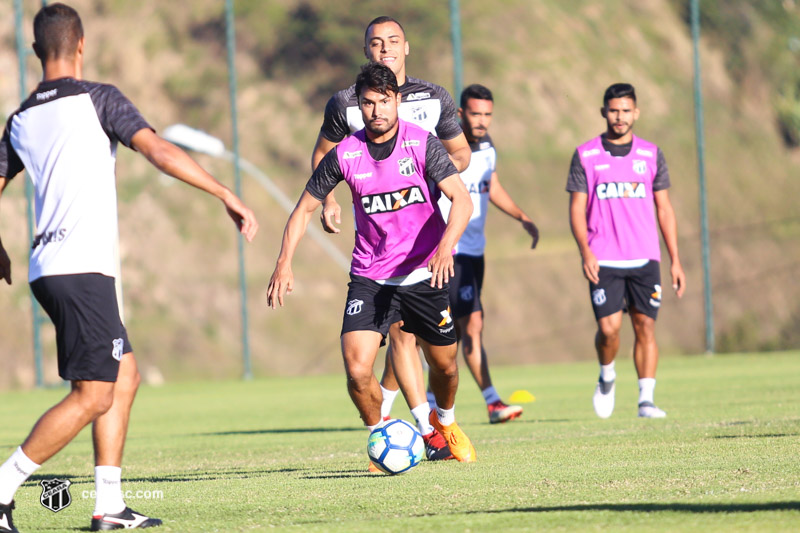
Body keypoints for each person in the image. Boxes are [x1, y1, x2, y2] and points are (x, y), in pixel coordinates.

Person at [0, 4, 258, 532]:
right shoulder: (98, 99)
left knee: (126, 375)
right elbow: (158, 150)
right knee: (93, 394)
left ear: (34, 52)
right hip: (82, 268)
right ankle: (2, 489)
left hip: (48, 269)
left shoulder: (21, 117)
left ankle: (110, 506)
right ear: (82, 44)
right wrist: (223, 190)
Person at [269, 61, 476, 463]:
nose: (377, 110)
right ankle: (380, 437)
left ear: (397, 100)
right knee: (357, 369)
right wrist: (284, 262)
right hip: (371, 276)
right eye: (368, 103)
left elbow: (462, 199)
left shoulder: (421, 144)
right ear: (359, 107)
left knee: (446, 368)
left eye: (384, 101)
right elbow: (302, 209)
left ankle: (445, 422)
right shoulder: (346, 153)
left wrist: (446, 245)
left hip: (423, 272)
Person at [566, 83, 685, 419]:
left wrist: (675, 260)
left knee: (645, 326)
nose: (620, 117)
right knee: (609, 330)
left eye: (626, 110)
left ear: (636, 113)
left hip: (645, 257)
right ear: (604, 111)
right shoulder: (586, 155)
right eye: (614, 110)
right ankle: (607, 376)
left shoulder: (651, 154)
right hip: (603, 257)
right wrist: (585, 251)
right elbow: (577, 209)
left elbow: (664, 209)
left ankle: (646, 399)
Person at [435, 84, 539, 424]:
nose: (482, 121)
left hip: (474, 254)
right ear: (460, 114)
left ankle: (430, 398)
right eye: (475, 114)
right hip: (451, 250)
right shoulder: (442, 148)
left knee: (454, 331)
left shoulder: (488, 147)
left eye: (487, 115)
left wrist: (521, 216)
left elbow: (490, 185)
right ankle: (491, 402)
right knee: (461, 326)